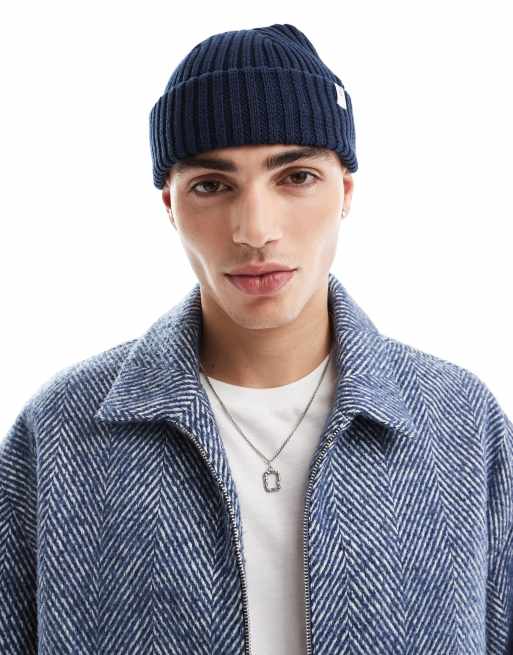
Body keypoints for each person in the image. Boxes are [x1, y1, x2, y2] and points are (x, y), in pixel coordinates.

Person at [1, 22, 512, 655]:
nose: (255, 230)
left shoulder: (461, 421)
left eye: (296, 177)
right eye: (212, 186)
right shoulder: (60, 430)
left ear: (345, 191)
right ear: (170, 205)